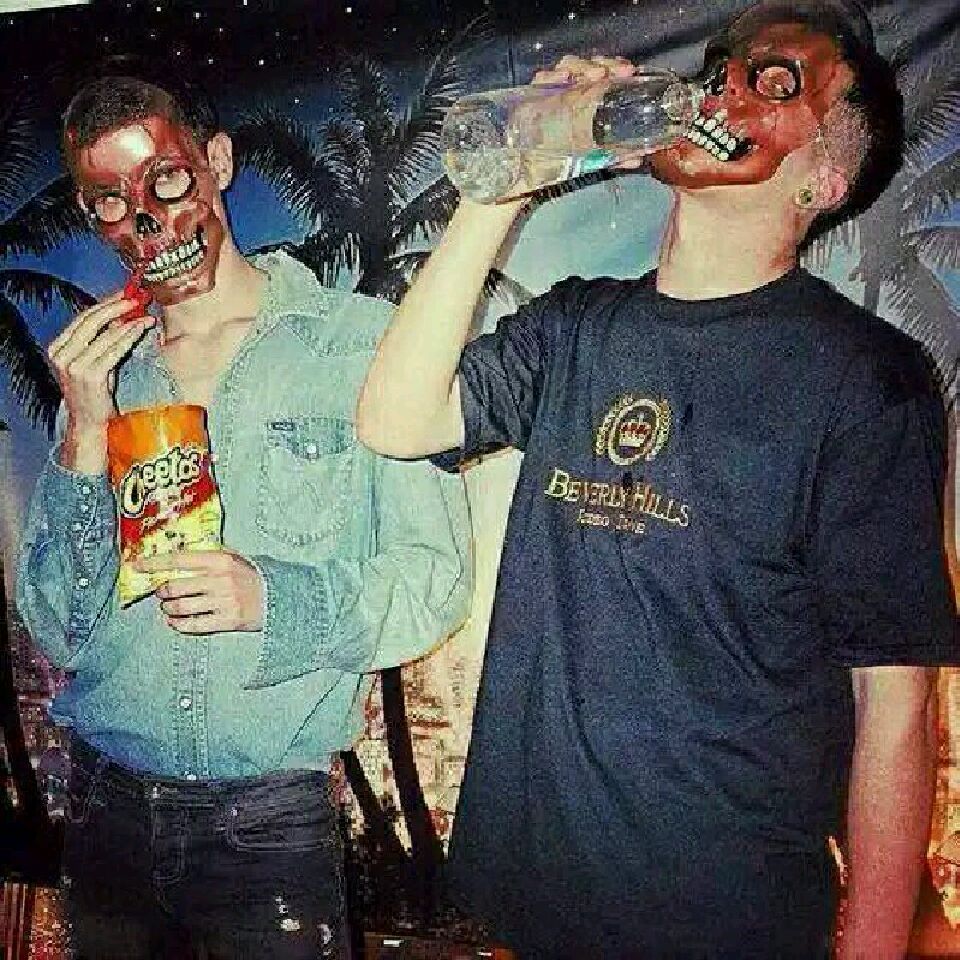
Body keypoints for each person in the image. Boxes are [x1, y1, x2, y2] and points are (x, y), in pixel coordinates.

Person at [356, 1, 958, 957]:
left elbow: (894, 701)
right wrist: (504, 181)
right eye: (721, 68)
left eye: (771, 82)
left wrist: (876, 944)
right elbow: (395, 420)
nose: (721, 89)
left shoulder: (865, 380)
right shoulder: (576, 325)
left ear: (824, 180)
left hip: (720, 915)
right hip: (535, 897)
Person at [16, 64, 472, 960]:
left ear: (217, 162)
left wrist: (274, 598)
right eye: (109, 203)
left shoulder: (359, 344)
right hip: (105, 815)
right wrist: (85, 430)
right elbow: (57, 627)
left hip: (268, 827)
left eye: (166, 181)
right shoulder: (105, 371)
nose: (145, 223)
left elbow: (434, 581)